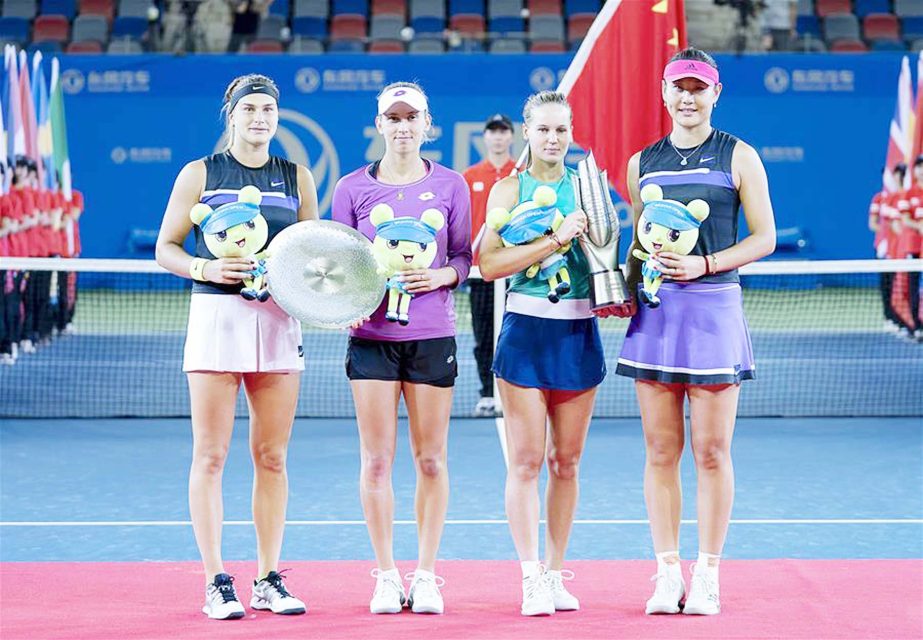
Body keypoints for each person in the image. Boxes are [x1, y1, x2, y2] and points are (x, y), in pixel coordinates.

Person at [615, 48, 776, 616]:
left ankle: (707, 574)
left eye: (697, 87)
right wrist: (622, 287)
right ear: (663, 93)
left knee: (711, 452)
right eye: (678, 87)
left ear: (715, 94)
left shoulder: (740, 156)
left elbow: (765, 238)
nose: (687, 97)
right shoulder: (642, 163)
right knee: (661, 451)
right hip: (656, 318)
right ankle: (666, 573)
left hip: (714, 313)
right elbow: (639, 243)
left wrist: (705, 265)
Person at [155, 73, 318, 620]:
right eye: (249, 108)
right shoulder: (199, 173)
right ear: (231, 113)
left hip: (277, 323)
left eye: (268, 110)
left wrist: (303, 283)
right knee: (212, 454)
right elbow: (167, 247)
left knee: (272, 457)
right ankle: (215, 581)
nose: (259, 118)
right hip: (216, 318)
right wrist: (206, 265)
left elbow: (311, 252)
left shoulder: (296, 176)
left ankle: (269, 578)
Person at [332, 82, 472, 616]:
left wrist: (436, 275)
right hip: (370, 341)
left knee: (431, 460)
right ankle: (387, 575)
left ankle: (428, 574)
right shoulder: (350, 189)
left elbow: (462, 258)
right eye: (393, 117)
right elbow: (340, 264)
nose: (403, 126)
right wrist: (349, 301)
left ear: (427, 123)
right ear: (380, 124)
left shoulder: (452, 185)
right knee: (376, 462)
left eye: (412, 117)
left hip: (432, 336)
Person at [478, 90, 602, 617]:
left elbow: (606, 256)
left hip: (578, 335)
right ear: (527, 133)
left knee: (567, 463)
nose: (554, 139)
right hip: (525, 334)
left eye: (562, 130)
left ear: (572, 134)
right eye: (544, 129)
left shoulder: (588, 189)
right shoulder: (508, 189)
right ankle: (529, 576)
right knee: (526, 462)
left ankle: (553, 573)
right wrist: (554, 240)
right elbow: (488, 263)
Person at [462, 113, 516, 418]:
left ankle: (512, 392)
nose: (498, 136)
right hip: (481, 269)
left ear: (510, 136)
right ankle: (486, 392)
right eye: (492, 131)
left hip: (514, 269)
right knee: (483, 334)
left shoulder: (520, 172)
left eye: (503, 131)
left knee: (514, 334)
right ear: (485, 137)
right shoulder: (470, 176)